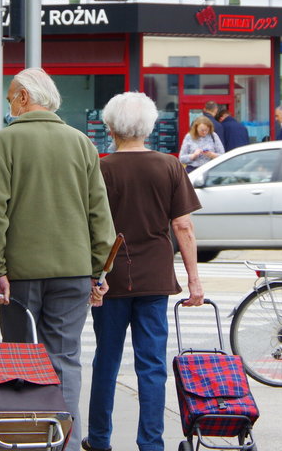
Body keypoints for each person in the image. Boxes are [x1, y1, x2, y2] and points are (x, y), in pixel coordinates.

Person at [0, 68, 115, 451]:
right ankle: (66, 445)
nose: (9, 106)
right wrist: (100, 269)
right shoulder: (82, 144)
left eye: (9, 99)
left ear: (22, 97)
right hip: (74, 271)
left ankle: (27, 442)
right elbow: (99, 213)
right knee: (66, 360)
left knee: (22, 361)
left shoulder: (5, 142)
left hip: (20, 275)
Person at [83, 92, 204, 451]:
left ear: (110, 127)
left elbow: (89, 227)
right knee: (151, 365)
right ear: (149, 126)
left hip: (110, 277)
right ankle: (151, 443)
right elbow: (183, 226)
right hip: (154, 278)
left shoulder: (101, 168)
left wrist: (91, 277)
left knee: (106, 359)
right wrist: (194, 279)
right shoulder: (169, 166)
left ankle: (100, 439)